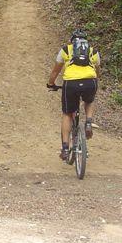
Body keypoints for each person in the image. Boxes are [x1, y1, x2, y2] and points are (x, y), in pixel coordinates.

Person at [47, 29, 100, 161]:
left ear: (72, 40)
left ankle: (65, 148)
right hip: (90, 81)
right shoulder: (93, 51)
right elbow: (97, 71)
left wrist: (51, 84)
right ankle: (88, 122)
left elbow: (55, 72)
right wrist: (93, 82)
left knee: (67, 114)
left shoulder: (66, 50)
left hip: (71, 83)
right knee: (89, 101)